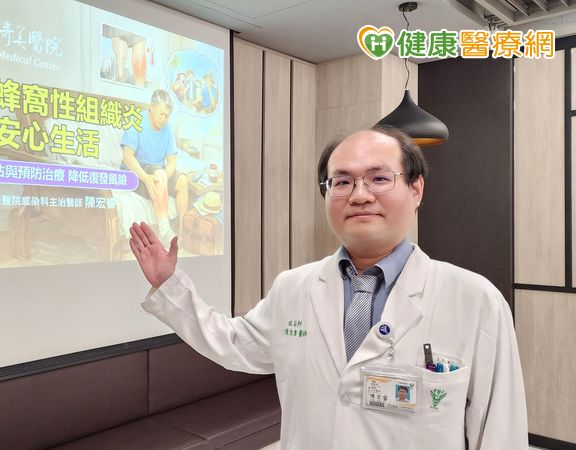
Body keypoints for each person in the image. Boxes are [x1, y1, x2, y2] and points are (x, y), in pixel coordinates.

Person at [128, 126, 528, 449]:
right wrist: (169, 286)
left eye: (379, 178)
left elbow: (500, 432)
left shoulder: (475, 300)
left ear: (416, 189)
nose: (360, 195)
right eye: (342, 182)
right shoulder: (293, 288)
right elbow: (234, 344)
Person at [122, 89, 189, 241]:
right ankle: (165, 230)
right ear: (152, 107)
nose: (164, 119)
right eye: (161, 114)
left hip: (158, 172)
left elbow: (172, 162)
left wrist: (164, 176)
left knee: (183, 180)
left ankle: (182, 230)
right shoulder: (136, 121)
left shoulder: (168, 128)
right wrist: (146, 178)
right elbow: (127, 156)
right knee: (159, 174)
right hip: (138, 174)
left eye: (167, 115)